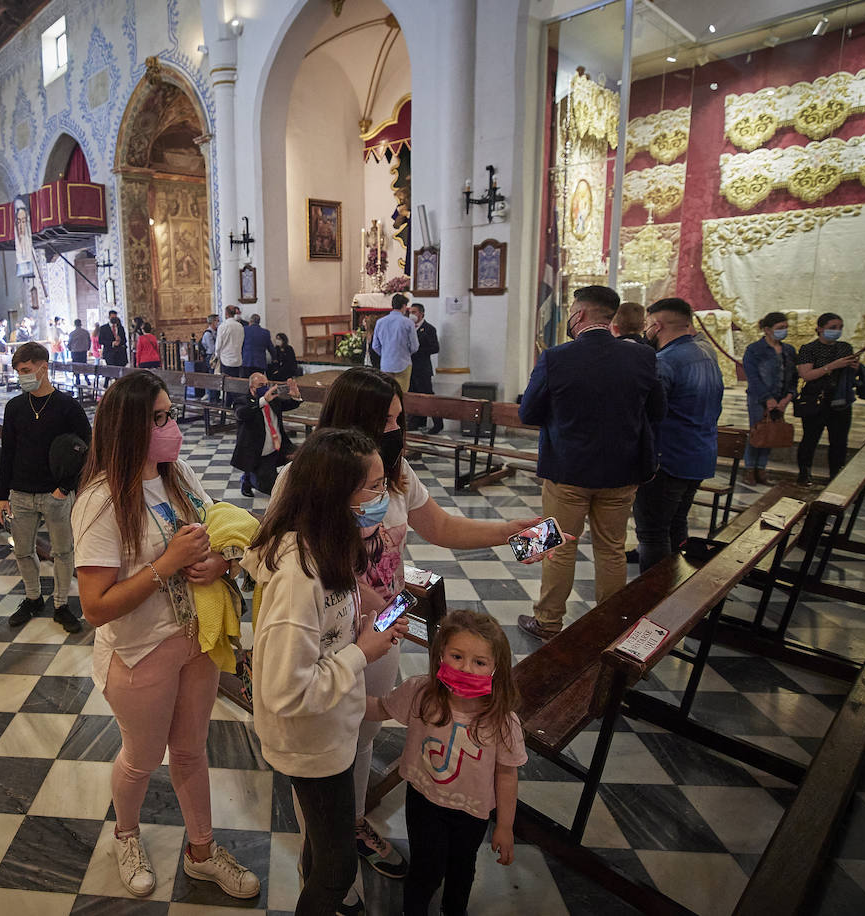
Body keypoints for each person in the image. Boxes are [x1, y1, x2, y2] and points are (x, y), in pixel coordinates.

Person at [276, 368, 540, 904]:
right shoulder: (304, 478)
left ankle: (349, 825)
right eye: (388, 420)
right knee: (329, 746)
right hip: (329, 637)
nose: (398, 429)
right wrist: (363, 604)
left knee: (364, 732)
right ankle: (327, 859)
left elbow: (440, 528)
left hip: (385, 630)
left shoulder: (395, 474)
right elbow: (291, 559)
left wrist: (507, 534)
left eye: (400, 419)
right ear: (355, 422)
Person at [73, 372, 260, 901]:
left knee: (191, 751)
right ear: (129, 426)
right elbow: (94, 607)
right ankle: (125, 837)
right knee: (141, 756)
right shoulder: (101, 500)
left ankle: (201, 852)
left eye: (170, 413)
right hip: (139, 652)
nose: (171, 426)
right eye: (159, 418)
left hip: (196, 639)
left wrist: (221, 562)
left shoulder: (176, 473)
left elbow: (216, 531)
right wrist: (167, 564)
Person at [246, 427, 411, 915]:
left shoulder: (333, 549)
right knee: (338, 869)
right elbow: (284, 691)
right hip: (309, 740)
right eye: (375, 487)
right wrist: (364, 651)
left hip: (331, 728)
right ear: (336, 495)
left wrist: (366, 617)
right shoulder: (300, 576)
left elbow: (330, 631)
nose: (384, 497)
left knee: (325, 850)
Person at [517, 285, 665, 640]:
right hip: (622, 471)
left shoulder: (556, 358)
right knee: (612, 548)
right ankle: (610, 625)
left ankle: (548, 621)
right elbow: (658, 411)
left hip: (567, 470)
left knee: (556, 546)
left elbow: (529, 412)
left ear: (580, 314)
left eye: (571, 310)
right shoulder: (642, 358)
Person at [365, 610, 524, 916]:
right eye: (457, 656)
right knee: (426, 869)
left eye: (479, 662)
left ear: (496, 668)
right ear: (440, 655)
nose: (467, 668)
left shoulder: (502, 720)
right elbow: (380, 708)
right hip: (425, 802)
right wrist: (338, 698)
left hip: (472, 813)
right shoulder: (421, 693)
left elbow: (506, 774)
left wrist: (504, 826)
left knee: (462, 869)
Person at [0, 342, 90, 634]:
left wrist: (65, 487)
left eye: (26, 370)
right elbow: (7, 451)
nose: (22, 376)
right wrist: (1, 496)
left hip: (55, 493)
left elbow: (86, 448)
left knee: (63, 552)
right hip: (21, 493)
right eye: (19, 371)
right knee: (23, 551)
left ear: (43, 367)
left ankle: (62, 605)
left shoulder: (67, 406)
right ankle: (33, 598)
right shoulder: (15, 407)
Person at [634, 298, 724, 574]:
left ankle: (653, 599)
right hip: (699, 454)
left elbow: (648, 412)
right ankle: (675, 587)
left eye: (649, 325)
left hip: (668, 458)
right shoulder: (707, 352)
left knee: (653, 532)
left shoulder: (665, 361)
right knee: (675, 522)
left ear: (656, 325)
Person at [795, 312, 860, 486]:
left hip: (840, 400)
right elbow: (806, 375)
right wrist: (832, 366)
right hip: (816, 399)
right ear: (820, 329)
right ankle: (804, 473)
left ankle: (835, 475)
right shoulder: (809, 349)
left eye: (840, 328)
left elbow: (850, 375)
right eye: (832, 328)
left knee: (839, 441)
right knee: (810, 438)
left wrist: (854, 368)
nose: (837, 331)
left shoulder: (845, 348)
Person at [742, 312, 798, 485]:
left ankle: (761, 468)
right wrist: (767, 398)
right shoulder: (755, 350)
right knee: (758, 431)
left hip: (781, 399)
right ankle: (750, 469)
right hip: (759, 398)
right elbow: (753, 377)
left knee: (772, 432)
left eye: (786, 328)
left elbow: (794, 376)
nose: (784, 331)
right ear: (767, 329)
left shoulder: (789, 350)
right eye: (780, 328)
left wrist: (788, 397)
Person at [232, 372, 301, 498]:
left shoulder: (273, 400)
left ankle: (253, 475)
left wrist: (296, 396)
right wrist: (263, 401)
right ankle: (249, 480)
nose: (265, 387)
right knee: (270, 486)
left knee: (302, 458)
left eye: (266, 384)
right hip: (259, 451)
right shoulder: (242, 401)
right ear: (252, 388)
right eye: (261, 385)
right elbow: (241, 414)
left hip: (278, 446)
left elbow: (287, 405)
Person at [406, 303, 443, 434]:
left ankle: (438, 423)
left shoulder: (429, 329)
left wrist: (418, 351)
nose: (412, 315)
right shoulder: (408, 328)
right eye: (410, 312)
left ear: (421, 314)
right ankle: (415, 422)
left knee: (427, 396)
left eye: (414, 312)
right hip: (410, 367)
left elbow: (435, 348)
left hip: (422, 368)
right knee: (413, 395)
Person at [371, 294, 419, 391]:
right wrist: (405, 353)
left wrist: (386, 353)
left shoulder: (380, 322)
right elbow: (415, 346)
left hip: (386, 363)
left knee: (386, 393)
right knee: (402, 393)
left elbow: (375, 345)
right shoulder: (408, 323)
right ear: (404, 306)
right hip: (403, 363)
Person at [215, 304, 244, 379]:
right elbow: (242, 341)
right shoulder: (240, 326)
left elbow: (218, 345)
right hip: (237, 359)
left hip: (226, 360)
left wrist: (217, 355)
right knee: (236, 384)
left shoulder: (223, 326)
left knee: (226, 385)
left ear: (226, 314)